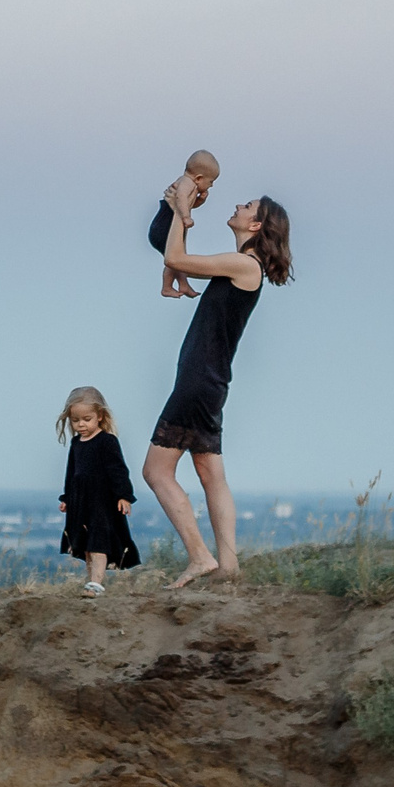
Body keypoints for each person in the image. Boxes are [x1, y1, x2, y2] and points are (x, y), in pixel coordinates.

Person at [144, 187, 294, 588]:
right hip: (209, 383)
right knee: (211, 474)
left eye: (246, 207)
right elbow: (175, 256)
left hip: (198, 383)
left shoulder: (245, 265)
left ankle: (200, 557)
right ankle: (228, 568)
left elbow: (176, 257)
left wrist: (180, 209)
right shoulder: (242, 265)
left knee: (156, 472)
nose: (238, 206)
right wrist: (177, 214)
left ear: (256, 224)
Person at [56, 386, 138, 595]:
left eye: (87, 419)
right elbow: (72, 473)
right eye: (75, 420)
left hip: (102, 503)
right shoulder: (76, 443)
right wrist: (67, 497)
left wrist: (124, 496)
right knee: (85, 545)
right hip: (81, 502)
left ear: (100, 416)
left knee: (98, 542)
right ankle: (91, 580)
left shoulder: (107, 442)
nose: (81, 424)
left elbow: (118, 470)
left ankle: (97, 584)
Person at [148, 150, 221, 298]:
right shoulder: (186, 183)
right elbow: (181, 199)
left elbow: (189, 204)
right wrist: (186, 217)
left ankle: (183, 284)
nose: (211, 186)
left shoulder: (190, 185)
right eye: (211, 182)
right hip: (163, 227)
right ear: (199, 178)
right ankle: (167, 287)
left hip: (165, 226)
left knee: (179, 259)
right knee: (175, 260)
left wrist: (200, 200)